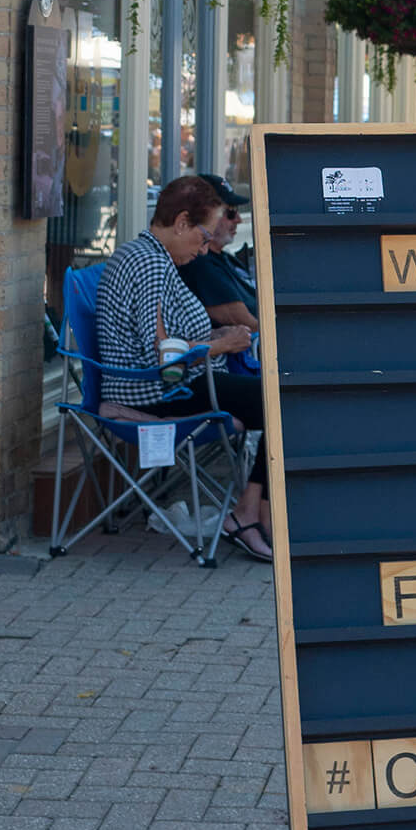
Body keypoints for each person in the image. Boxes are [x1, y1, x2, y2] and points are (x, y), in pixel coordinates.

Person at [95, 175, 272, 562]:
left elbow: (169, 338)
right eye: (203, 236)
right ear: (181, 222)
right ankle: (249, 514)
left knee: (282, 401)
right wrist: (220, 343)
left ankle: (256, 512)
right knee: (284, 404)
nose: (206, 248)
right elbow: (164, 358)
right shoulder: (150, 265)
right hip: (156, 394)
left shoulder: (154, 257)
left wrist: (216, 333)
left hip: (175, 384)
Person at [179, 172, 258, 332]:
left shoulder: (222, 257)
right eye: (230, 213)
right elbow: (247, 323)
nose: (238, 219)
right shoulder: (199, 263)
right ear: (205, 216)